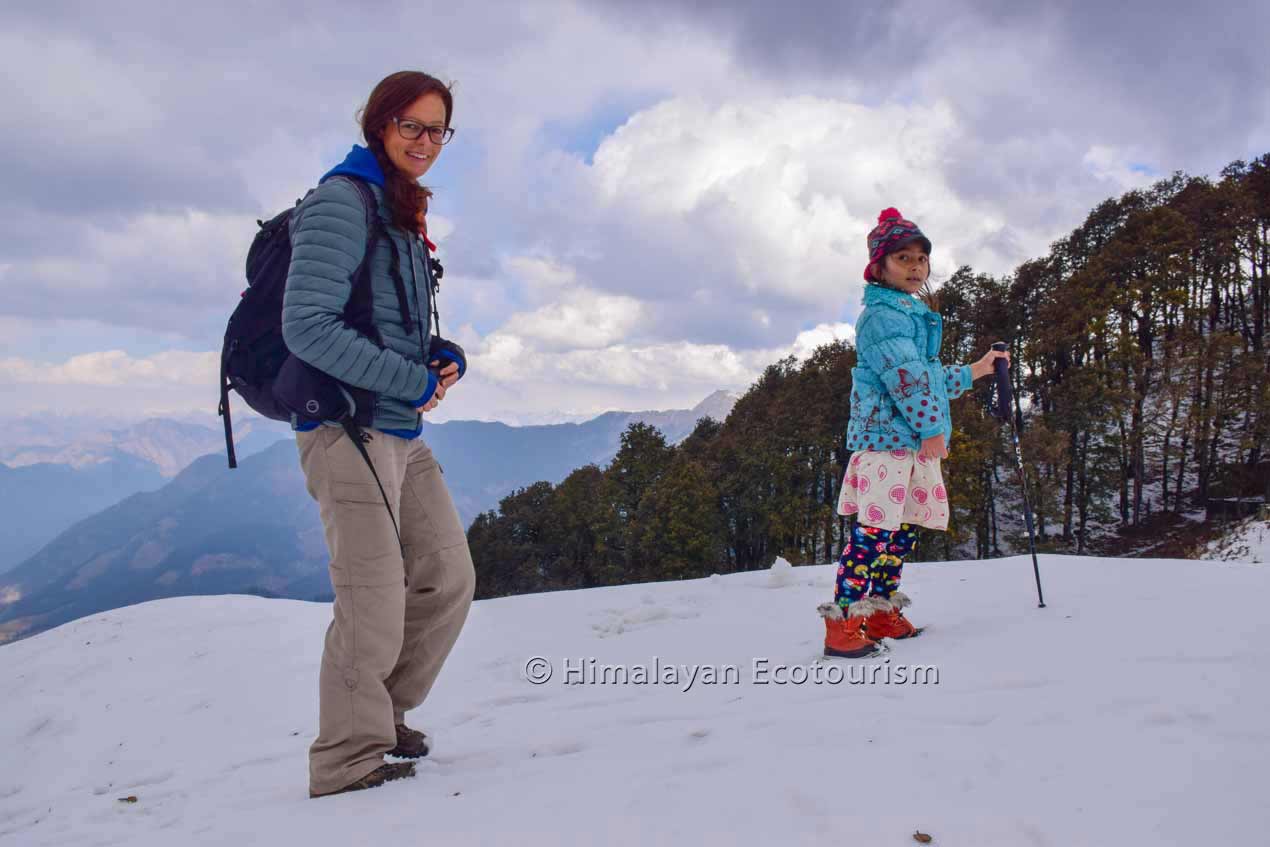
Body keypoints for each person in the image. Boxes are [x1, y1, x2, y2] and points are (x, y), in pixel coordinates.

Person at [281, 70, 476, 797]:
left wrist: (436, 356)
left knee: (449, 577)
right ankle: (345, 760)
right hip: (344, 427)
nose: (425, 142)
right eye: (410, 127)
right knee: (372, 599)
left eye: (436, 130)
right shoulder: (342, 201)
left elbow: (380, 323)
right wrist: (411, 381)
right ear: (378, 126)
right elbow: (305, 327)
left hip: (396, 425)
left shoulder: (397, 208)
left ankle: (381, 714)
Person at [818, 208, 1008, 658]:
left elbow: (926, 374)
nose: (916, 266)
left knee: (900, 531)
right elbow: (906, 380)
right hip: (886, 442)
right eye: (904, 258)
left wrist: (978, 370)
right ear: (879, 266)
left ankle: (881, 611)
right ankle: (843, 624)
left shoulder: (908, 314)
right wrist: (930, 430)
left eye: (921, 258)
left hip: (905, 445)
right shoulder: (883, 318)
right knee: (874, 533)